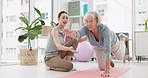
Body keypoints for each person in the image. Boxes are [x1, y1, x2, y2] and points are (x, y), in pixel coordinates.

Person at [63, 11, 128, 77]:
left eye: (91, 21)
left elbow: (107, 50)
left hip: (112, 44)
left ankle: (122, 39)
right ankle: (109, 59)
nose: (88, 24)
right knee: (102, 68)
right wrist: (72, 34)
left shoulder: (105, 30)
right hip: (98, 47)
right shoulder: (86, 28)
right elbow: (79, 32)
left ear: (97, 21)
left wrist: (107, 71)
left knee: (120, 57)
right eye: (87, 21)